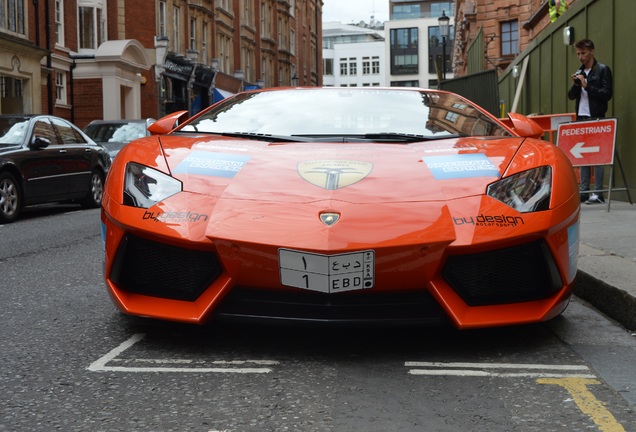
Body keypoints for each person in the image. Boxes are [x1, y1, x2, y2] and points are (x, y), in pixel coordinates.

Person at [567, 39, 613, 204]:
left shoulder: (602, 70)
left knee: (598, 155)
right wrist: (576, 85)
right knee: (583, 156)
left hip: (597, 116)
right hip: (582, 117)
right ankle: (584, 192)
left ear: (592, 51)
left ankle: (599, 193)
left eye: (583, 53)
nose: (581, 57)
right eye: (578, 54)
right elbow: (571, 96)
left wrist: (587, 86)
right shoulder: (579, 71)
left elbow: (607, 94)